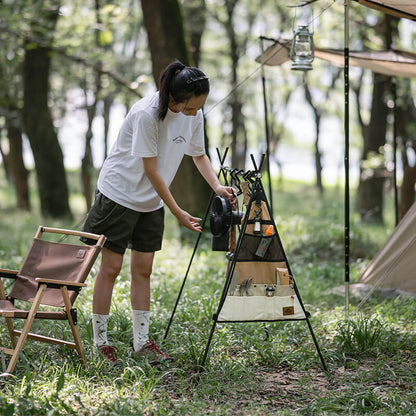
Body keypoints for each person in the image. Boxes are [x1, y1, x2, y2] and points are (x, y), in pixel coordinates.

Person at [81, 60, 235, 364]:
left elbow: (199, 153)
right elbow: (150, 170)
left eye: (198, 109)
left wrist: (217, 186)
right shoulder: (146, 114)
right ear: (172, 98)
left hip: (151, 201)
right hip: (119, 195)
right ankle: (101, 342)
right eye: (189, 109)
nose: (193, 114)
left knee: (143, 270)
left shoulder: (194, 112)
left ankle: (141, 342)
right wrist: (177, 211)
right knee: (110, 269)